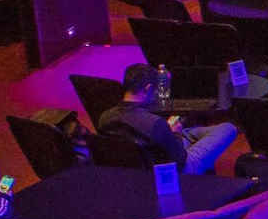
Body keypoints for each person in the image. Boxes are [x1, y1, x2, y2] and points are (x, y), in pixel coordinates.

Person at [96, 63, 239, 175]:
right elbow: (181, 160)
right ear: (148, 89)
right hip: (176, 170)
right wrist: (175, 134)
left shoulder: (105, 117)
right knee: (228, 128)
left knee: (189, 132)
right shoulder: (154, 123)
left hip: (137, 167)